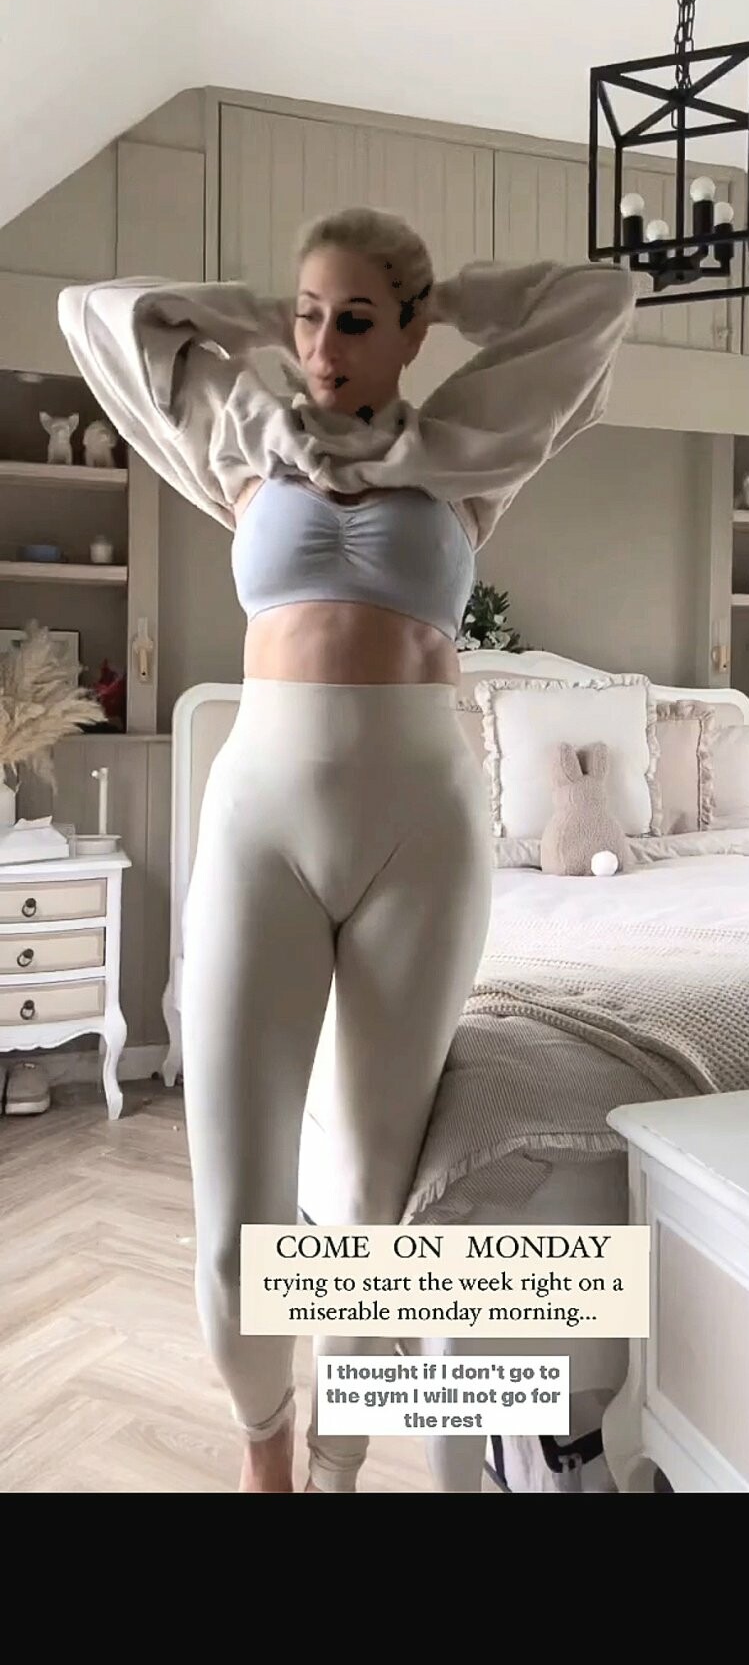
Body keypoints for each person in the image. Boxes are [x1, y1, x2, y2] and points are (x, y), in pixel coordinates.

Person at [58, 208, 636, 1494]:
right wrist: (262, 316)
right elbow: (94, 314)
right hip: (258, 826)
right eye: (310, 317)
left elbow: (597, 298)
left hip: (421, 838)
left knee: (372, 1203)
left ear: (411, 330)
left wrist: (456, 297)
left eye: (357, 320)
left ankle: (335, 1465)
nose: (323, 347)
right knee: (236, 1223)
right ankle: (264, 1442)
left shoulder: (469, 450)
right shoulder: (245, 436)